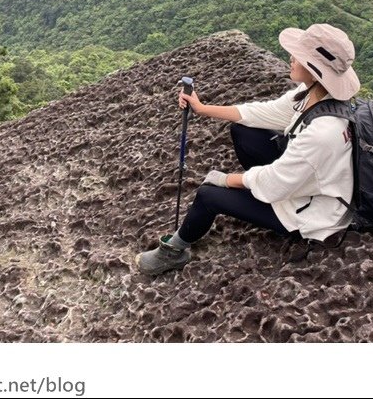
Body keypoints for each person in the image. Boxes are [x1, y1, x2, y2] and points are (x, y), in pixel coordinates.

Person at [136, 23, 361, 275]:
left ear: (314, 69)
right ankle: (247, 196)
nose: (291, 58)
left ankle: (174, 252)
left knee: (208, 195)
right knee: (243, 131)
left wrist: (228, 180)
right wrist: (202, 108)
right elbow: (261, 113)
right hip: (305, 181)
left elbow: (275, 182)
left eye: (298, 56)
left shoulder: (323, 133)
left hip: (313, 213)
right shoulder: (313, 95)